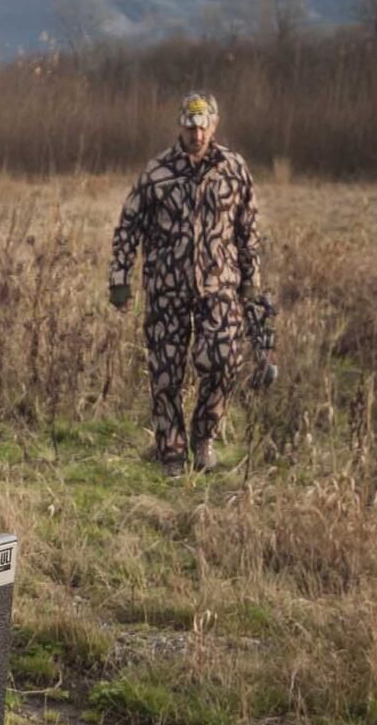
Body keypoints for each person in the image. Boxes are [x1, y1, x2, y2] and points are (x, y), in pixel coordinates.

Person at [108, 92, 263, 475]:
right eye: (190, 126)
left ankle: (204, 438)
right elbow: (129, 226)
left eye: (203, 126)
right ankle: (171, 455)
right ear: (180, 125)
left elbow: (248, 227)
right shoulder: (157, 171)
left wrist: (251, 279)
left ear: (214, 125)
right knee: (166, 374)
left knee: (223, 361)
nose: (196, 134)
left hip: (220, 287)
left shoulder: (233, 168)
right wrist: (119, 280)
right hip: (166, 288)